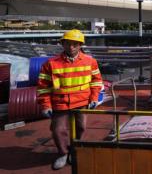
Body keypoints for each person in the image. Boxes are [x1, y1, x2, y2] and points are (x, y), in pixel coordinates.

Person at [36, 29, 103, 170]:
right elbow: (43, 87)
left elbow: (96, 82)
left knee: (81, 127)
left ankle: (74, 150)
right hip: (60, 104)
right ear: (62, 44)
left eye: (75, 44)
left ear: (80, 45)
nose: (71, 47)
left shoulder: (90, 61)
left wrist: (94, 98)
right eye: (67, 43)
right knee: (58, 130)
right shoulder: (50, 64)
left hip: (82, 102)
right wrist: (45, 105)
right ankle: (63, 153)